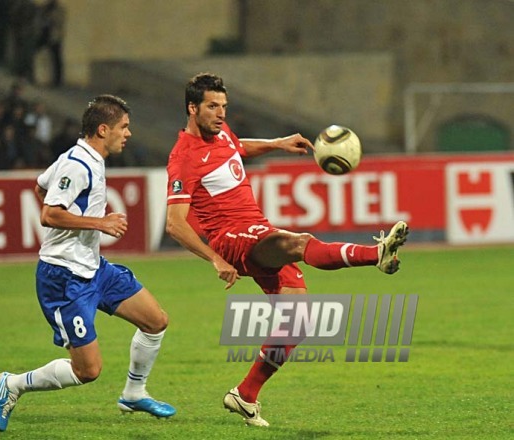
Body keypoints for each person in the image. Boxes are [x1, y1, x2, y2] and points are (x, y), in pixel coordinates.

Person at [165, 73, 409, 427]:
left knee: (297, 320)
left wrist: (277, 143)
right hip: (231, 239)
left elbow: (237, 147)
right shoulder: (183, 157)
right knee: (298, 243)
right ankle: (376, 255)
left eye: (223, 106)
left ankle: (245, 395)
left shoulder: (221, 133)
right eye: (212, 107)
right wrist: (215, 259)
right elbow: (175, 223)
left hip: (256, 229)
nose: (220, 113)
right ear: (192, 108)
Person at [0, 95, 175, 432]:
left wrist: (82, 230)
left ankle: (134, 394)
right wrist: (100, 224)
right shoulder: (78, 164)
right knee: (88, 371)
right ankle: (13, 384)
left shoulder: (84, 158)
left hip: (94, 268)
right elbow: (49, 213)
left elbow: (41, 186)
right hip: (64, 279)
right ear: (103, 129)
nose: (129, 134)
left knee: (155, 321)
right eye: (124, 127)